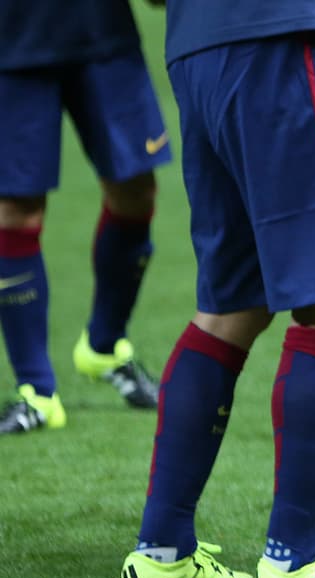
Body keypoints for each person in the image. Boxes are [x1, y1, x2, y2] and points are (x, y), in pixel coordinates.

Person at [117, 0, 315, 578]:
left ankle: (160, 553)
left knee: (232, 305)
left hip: (196, 45)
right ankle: (297, 561)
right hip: (289, 37)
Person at [0, 0, 167, 435]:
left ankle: (103, 346)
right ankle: (37, 391)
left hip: (103, 31)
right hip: (12, 41)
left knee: (135, 193)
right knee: (15, 211)